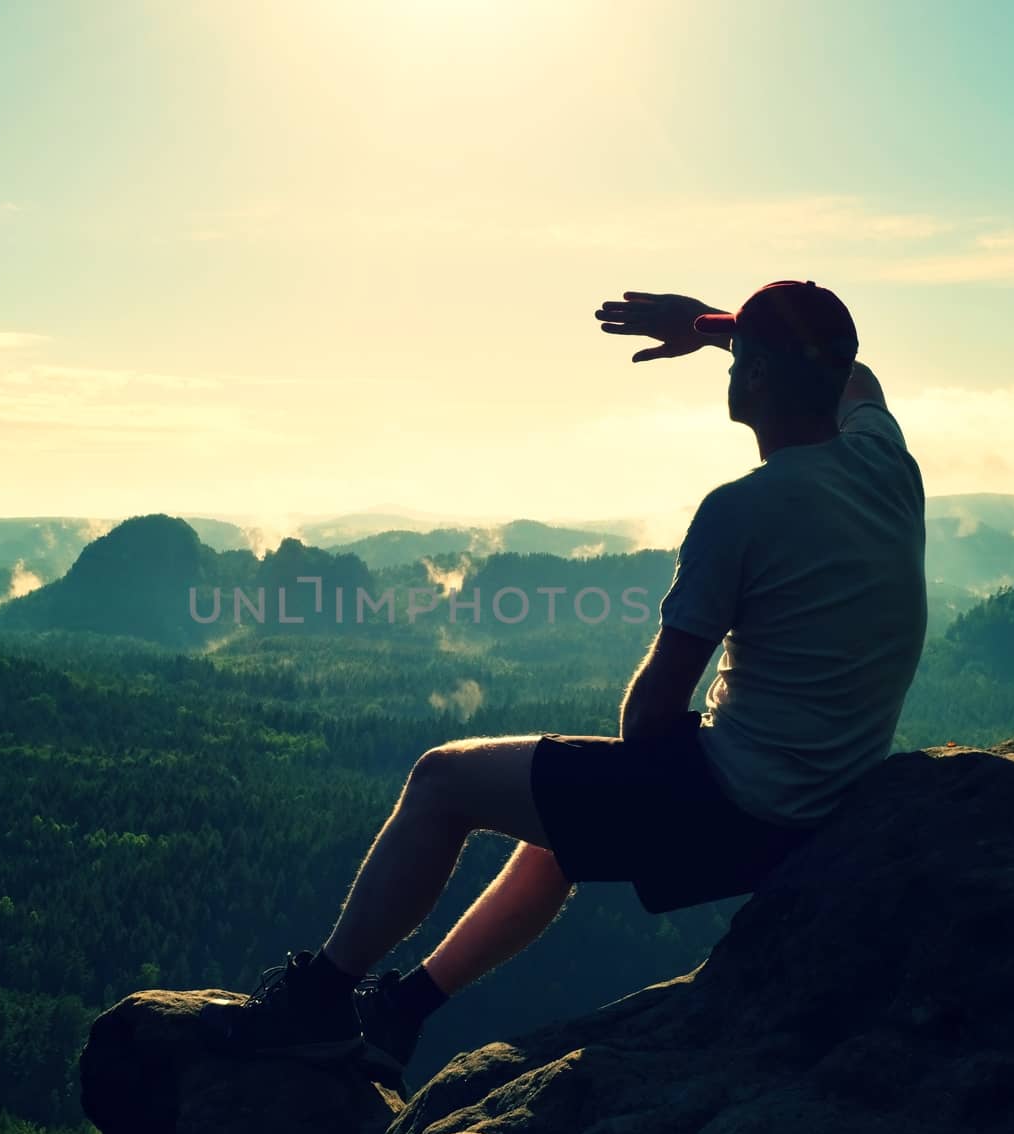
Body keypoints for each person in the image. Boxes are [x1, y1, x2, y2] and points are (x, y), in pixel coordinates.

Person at [202, 280, 928, 1092]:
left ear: (752, 379)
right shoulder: (886, 460)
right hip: (829, 791)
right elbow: (856, 379)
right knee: (557, 826)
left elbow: (649, 711)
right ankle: (404, 1009)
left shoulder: (742, 511)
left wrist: (635, 790)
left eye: (740, 361)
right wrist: (716, 326)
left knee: (443, 779)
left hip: (750, 806)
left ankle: (319, 1004)